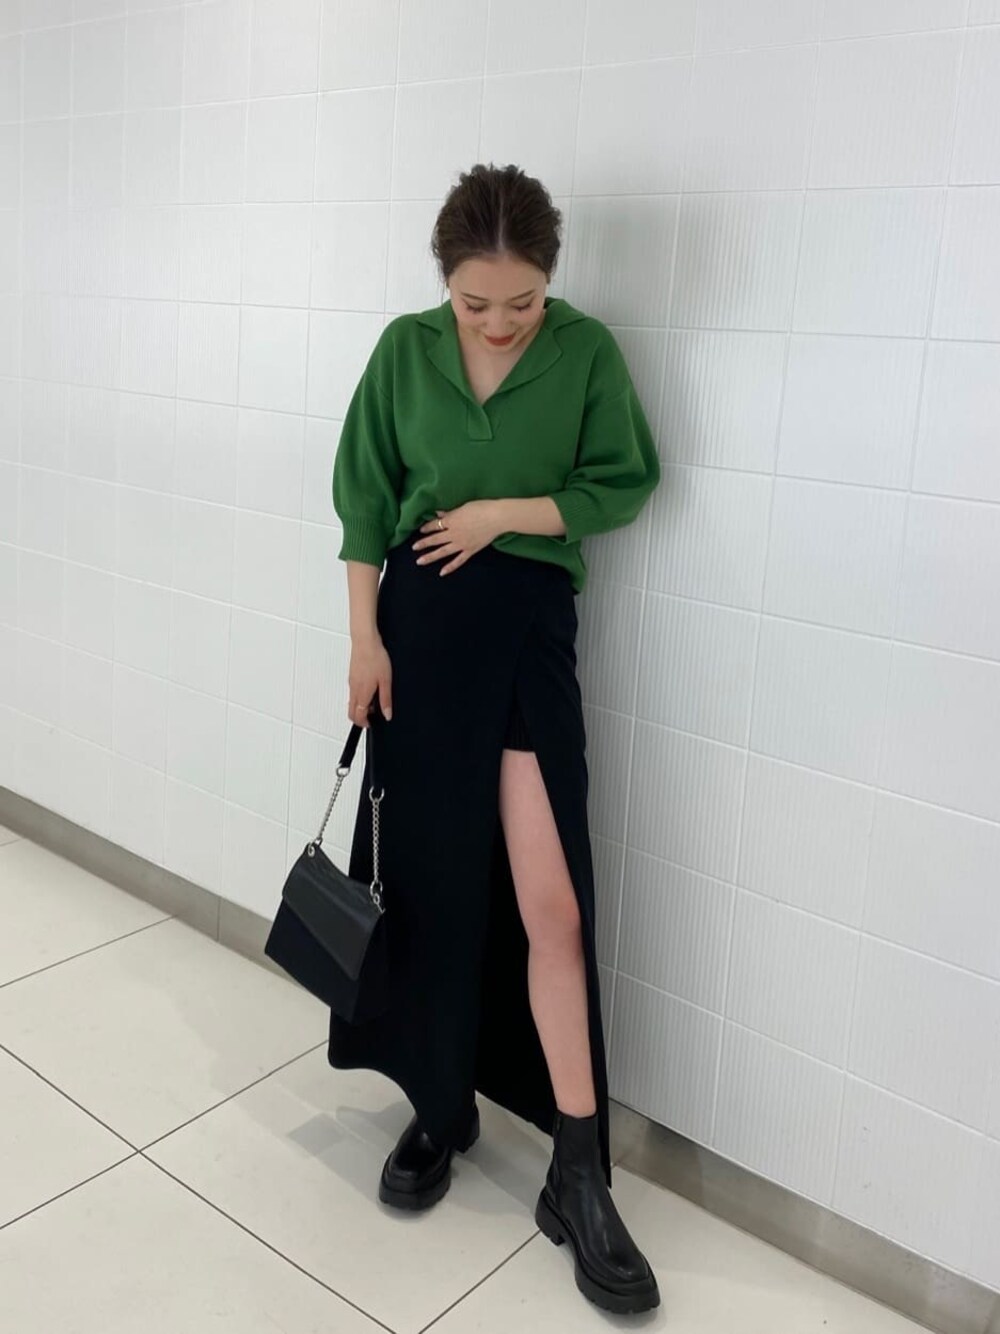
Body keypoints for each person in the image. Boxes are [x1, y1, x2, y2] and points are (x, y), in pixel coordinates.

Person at [329, 162, 662, 1315]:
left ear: (549, 283)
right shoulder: (402, 351)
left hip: (524, 637)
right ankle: (440, 1104)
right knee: (431, 885)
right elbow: (361, 501)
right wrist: (364, 639)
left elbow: (621, 483)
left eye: (521, 301)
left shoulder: (586, 353)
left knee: (550, 901)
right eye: (476, 303)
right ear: (445, 284)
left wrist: (498, 515)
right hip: (417, 639)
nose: (501, 322)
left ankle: (578, 1169)